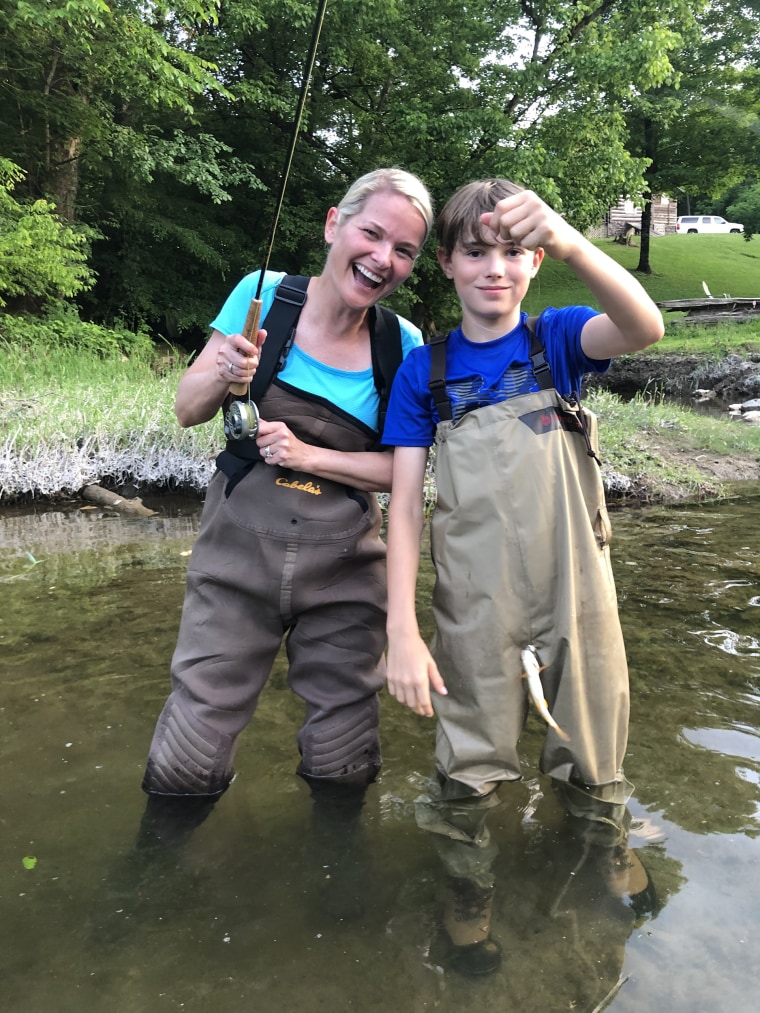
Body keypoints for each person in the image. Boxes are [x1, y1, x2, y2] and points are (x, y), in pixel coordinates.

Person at [382, 178, 664, 974]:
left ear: (536, 262)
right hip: (475, 600)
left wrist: (574, 238)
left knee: (597, 735)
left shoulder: (561, 341)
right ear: (446, 263)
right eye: (475, 252)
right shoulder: (422, 373)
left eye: (512, 251)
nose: (493, 268)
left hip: (579, 587)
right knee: (467, 753)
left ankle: (604, 844)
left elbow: (646, 325)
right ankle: (469, 889)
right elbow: (403, 507)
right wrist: (401, 629)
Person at [139, 168, 433, 892]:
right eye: (373, 233)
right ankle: (146, 877)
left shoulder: (404, 345)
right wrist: (222, 372)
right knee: (192, 745)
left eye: (404, 250)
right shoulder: (262, 293)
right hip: (235, 557)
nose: (383, 258)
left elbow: (404, 474)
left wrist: (308, 454)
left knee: (346, 745)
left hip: (346, 569)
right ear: (335, 223)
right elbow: (187, 407)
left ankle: (338, 871)